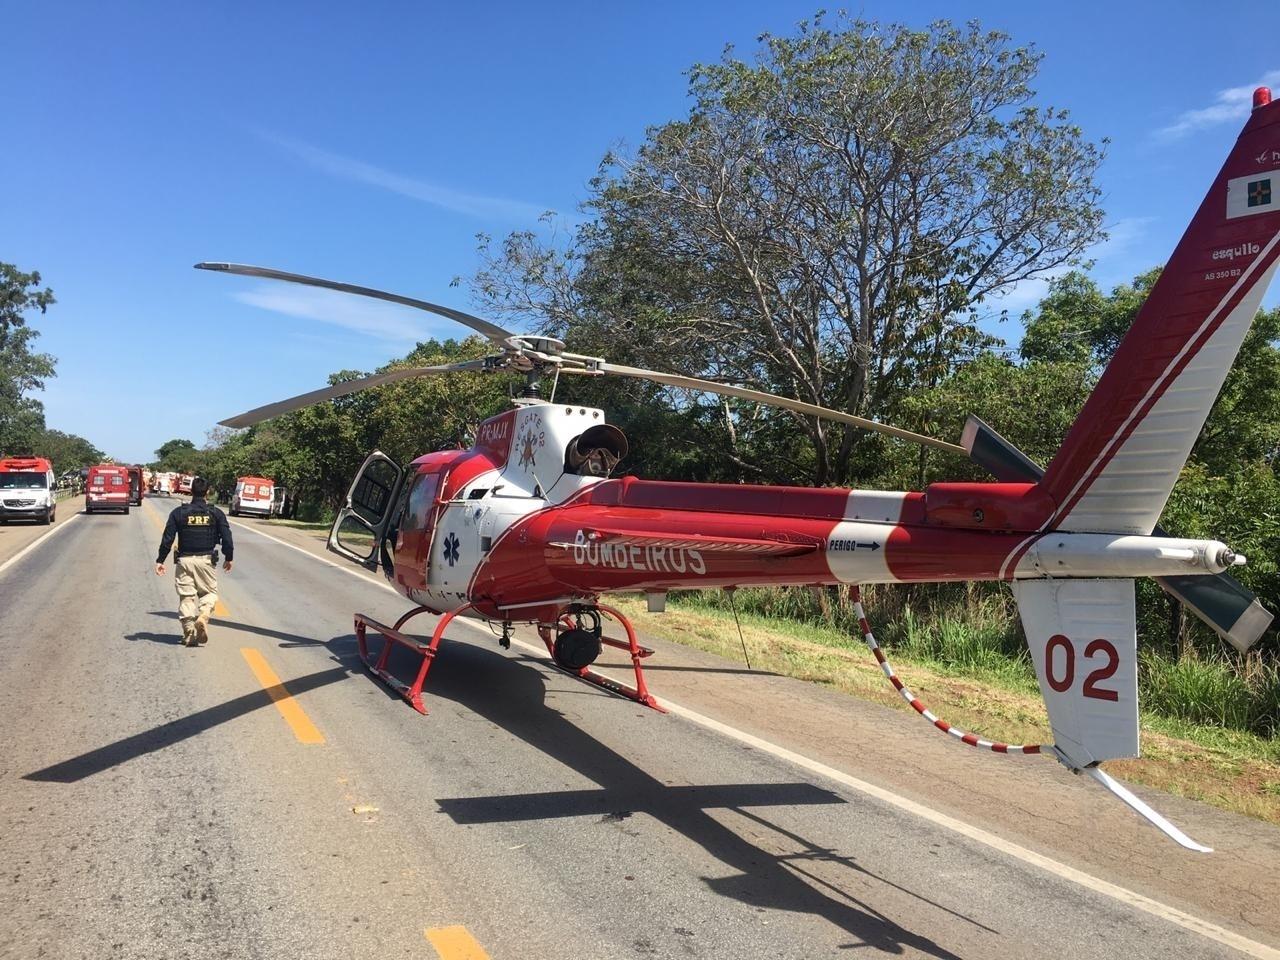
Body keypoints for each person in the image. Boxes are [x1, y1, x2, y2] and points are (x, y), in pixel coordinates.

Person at [154, 476, 234, 646]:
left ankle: (189, 632)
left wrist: (160, 560)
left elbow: (168, 538)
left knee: (187, 597)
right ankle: (203, 615)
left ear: (191, 491)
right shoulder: (215, 513)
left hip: (184, 560)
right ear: (208, 492)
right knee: (209, 593)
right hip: (206, 561)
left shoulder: (179, 513)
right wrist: (229, 557)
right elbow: (227, 537)